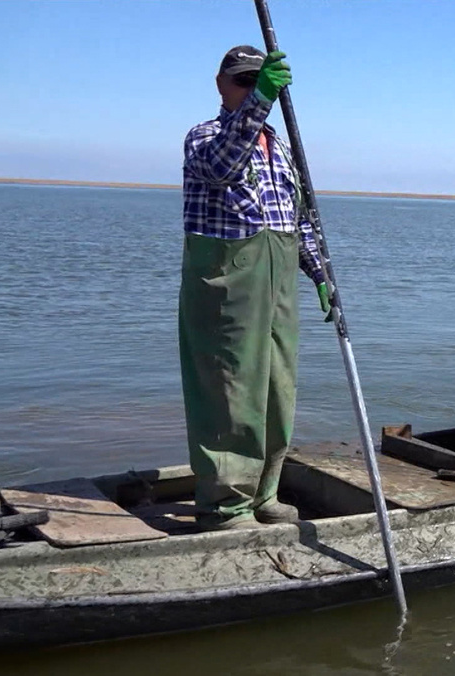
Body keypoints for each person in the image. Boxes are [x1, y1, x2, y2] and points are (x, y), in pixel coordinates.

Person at [179, 46, 330, 530]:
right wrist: (260, 99)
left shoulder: (282, 148)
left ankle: (265, 492)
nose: (248, 90)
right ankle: (224, 504)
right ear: (220, 84)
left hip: (279, 280)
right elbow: (223, 166)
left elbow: (300, 219)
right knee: (230, 390)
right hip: (227, 284)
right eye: (242, 81)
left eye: (258, 82)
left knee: (276, 389)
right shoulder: (205, 136)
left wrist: (320, 273)